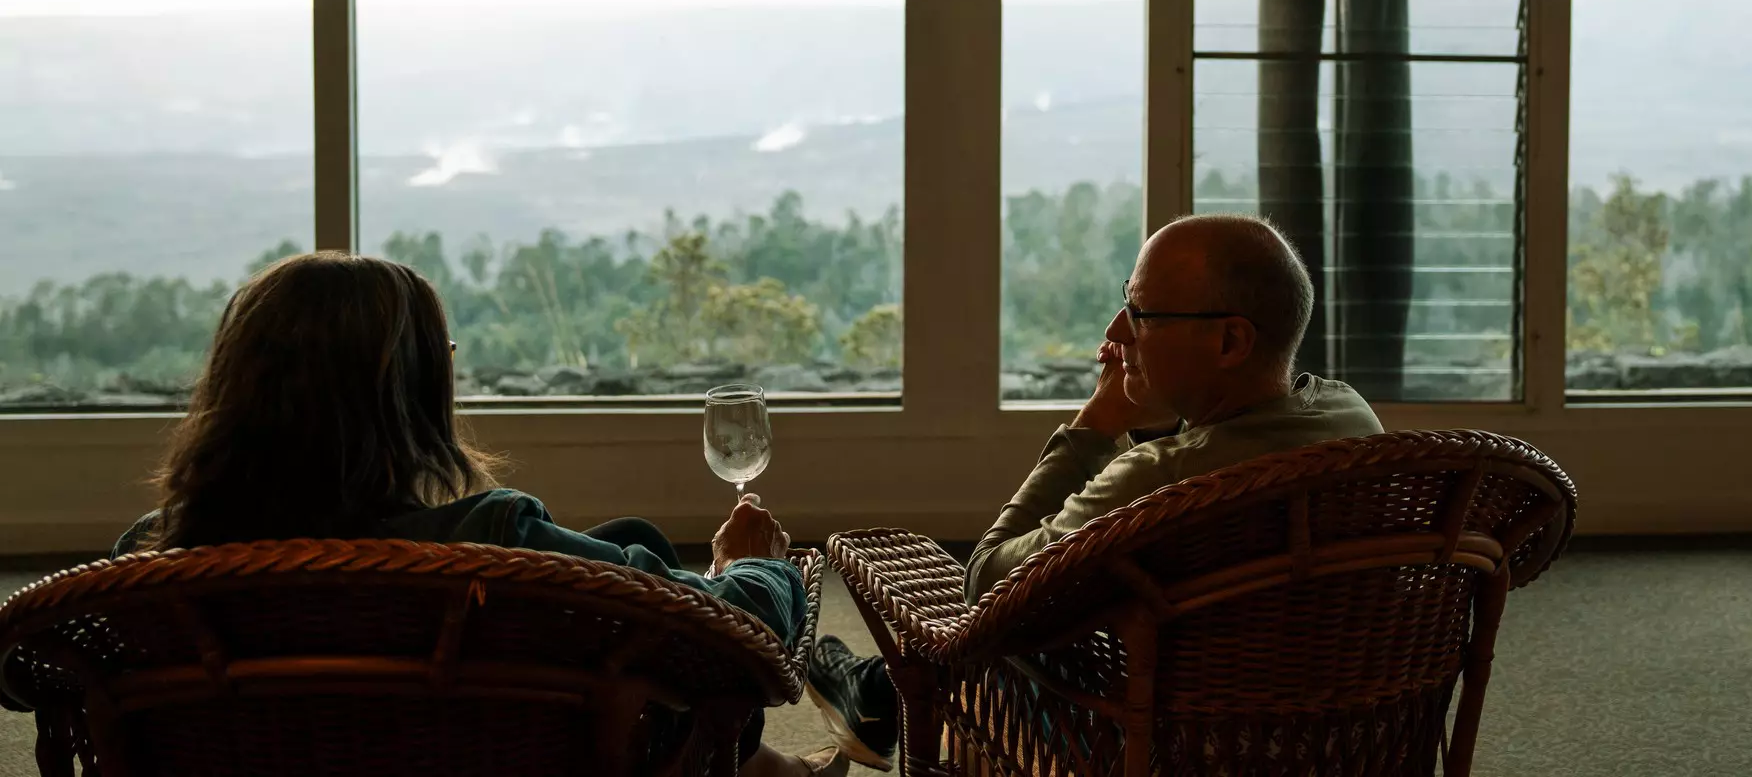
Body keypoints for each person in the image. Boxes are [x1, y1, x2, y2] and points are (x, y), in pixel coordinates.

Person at [113, 252, 845, 777]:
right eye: (445, 361)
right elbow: (739, 637)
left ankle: (768, 765)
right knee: (641, 586)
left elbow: (27, 676)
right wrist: (752, 563)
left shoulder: (152, 562)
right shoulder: (494, 543)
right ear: (401, 397)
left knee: (630, 543)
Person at [803, 213, 1385, 769]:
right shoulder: (1350, 417)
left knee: (996, 631)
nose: (1114, 330)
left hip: (1158, 746)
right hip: (1339, 735)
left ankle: (878, 693)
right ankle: (876, 690)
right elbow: (1227, 442)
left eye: (1141, 313)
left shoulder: (1155, 478)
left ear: (1230, 342)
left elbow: (989, 582)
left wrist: (1095, 425)